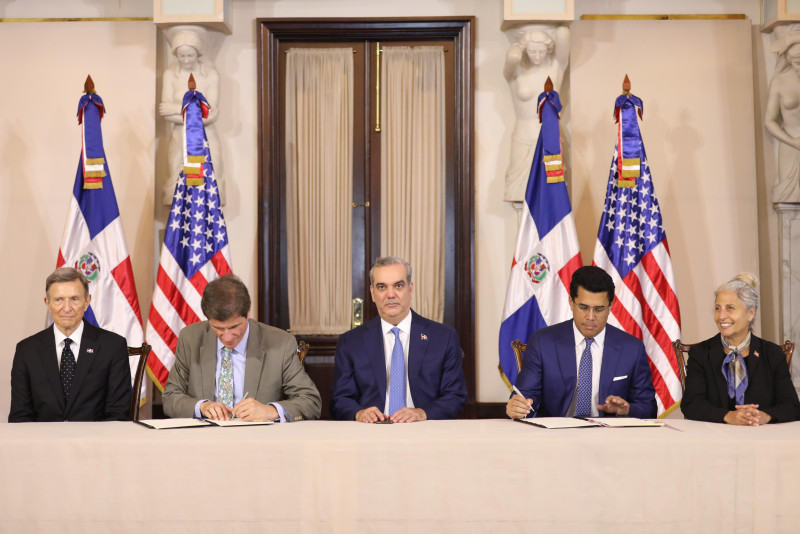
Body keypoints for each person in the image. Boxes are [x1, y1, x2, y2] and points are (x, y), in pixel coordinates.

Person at [163, 274, 320, 422]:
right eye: (218, 328)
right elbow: (170, 397)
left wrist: (270, 410)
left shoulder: (280, 343)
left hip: (257, 442)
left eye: (234, 327)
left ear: (248, 312)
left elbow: (310, 400)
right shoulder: (191, 338)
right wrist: (201, 406)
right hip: (204, 440)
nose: (227, 337)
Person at [506, 265, 657, 420]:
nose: (590, 317)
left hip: (610, 437)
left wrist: (627, 410)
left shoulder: (632, 348)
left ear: (610, 306)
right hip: (556, 437)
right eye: (583, 307)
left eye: (599, 309)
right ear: (571, 302)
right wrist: (517, 407)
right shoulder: (543, 342)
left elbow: (649, 408)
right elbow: (526, 397)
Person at [331, 256, 467, 422]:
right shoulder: (351, 342)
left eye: (398, 285)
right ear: (372, 293)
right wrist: (359, 413)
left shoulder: (443, 337)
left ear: (410, 289)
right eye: (382, 287)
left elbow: (455, 396)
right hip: (371, 432)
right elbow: (340, 399)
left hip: (425, 430)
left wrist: (422, 413)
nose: (390, 294)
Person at [9, 267, 131, 422]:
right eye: (59, 300)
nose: (66, 308)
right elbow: (20, 416)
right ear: (47, 303)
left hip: (96, 443)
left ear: (87, 302)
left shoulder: (113, 347)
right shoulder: (26, 351)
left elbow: (118, 414)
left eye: (74, 299)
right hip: (43, 443)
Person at [682, 273, 800, 425]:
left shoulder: (772, 354)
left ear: (751, 313)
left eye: (730, 308)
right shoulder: (700, 353)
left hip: (761, 439)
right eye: (718, 308)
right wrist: (728, 416)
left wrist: (765, 416)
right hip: (714, 440)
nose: (721, 316)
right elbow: (691, 404)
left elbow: (792, 406)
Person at [158, 25, 225, 205]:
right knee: (176, 176)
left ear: (198, 53)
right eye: (181, 56)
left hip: (206, 137)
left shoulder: (210, 74)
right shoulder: (170, 74)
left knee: (210, 177)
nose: (186, 60)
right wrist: (194, 111)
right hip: (179, 136)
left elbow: (211, 114)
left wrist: (175, 107)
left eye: (190, 55)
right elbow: (165, 112)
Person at [503, 26, 569, 202]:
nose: (537, 56)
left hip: (550, 137)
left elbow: (563, 33)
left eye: (542, 51)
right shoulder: (516, 72)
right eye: (532, 51)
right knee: (519, 195)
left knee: (552, 196)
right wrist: (518, 46)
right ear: (526, 50)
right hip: (523, 134)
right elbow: (512, 58)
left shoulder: (556, 68)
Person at [765, 31, 800, 202]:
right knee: (787, 200)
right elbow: (769, 121)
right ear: (788, 59)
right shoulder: (780, 81)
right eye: (797, 61)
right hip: (790, 145)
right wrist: (793, 141)